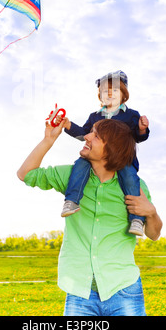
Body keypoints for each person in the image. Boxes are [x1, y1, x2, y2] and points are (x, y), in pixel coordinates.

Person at [17, 118, 162, 316]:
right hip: (80, 291)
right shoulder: (72, 176)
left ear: (112, 148)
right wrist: (48, 141)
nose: (86, 136)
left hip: (123, 289)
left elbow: (153, 234)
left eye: (95, 135)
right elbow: (25, 174)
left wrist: (151, 212)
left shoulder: (136, 186)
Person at [61, 70, 149, 237]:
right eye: (104, 91)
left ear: (124, 95)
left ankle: (137, 219)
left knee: (130, 178)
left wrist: (142, 128)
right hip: (96, 159)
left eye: (114, 90)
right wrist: (68, 125)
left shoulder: (131, 115)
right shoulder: (95, 116)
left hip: (122, 158)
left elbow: (137, 137)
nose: (109, 94)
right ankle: (71, 201)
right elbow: (84, 134)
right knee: (80, 165)